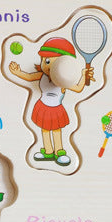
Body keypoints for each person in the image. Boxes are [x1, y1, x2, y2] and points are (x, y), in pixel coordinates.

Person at [8, 37, 93, 166]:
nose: (46, 65)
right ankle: (48, 151)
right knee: (45, 130)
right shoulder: (42, 76)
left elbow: (78, 88)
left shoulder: (64, 80)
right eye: (45, 60)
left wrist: (83, 76)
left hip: (56, 109)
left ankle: (59, 152)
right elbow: (29, 77)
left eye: (49, 61)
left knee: (57, 131)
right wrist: (17, 72)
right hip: (42, 107)